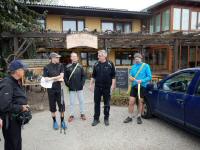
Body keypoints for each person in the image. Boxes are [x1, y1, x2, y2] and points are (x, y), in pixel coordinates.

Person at [0, 60, 29, 150]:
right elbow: (4, 105)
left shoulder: (15, 81)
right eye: (23, 69)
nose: (24, 70)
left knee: (16, 143)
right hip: (10, 121)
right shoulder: (7, 83)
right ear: (17, 71)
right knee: (12, 145)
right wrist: (21, 107)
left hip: (15, 120)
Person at [123, 53, 152, 124]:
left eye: (138, 58)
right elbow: (130, 75)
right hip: (134, 86)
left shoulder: (146, 66)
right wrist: (130, 78)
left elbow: (149, 77)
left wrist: (142, 80)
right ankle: (130, 116)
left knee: (140, 102)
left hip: (142, 86)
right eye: (135, 59)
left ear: (141, 58)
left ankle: (139, 116)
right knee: (131, 102)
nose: (137, 60)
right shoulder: (133, 66)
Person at [89, 50, 116, 126]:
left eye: (100, 55)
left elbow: (113, 76)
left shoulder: (110, 64)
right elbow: (93, 76)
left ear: (105, 55)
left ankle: (106, 118)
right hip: (97, 87)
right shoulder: (96, 64)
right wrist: (91, 84)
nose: (98, 56)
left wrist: (113, 85)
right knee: (96, 103)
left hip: (107, 87)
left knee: (107, 103)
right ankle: (96, 119)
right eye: (98, 55)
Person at [43, 52, 67, 130]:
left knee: (62, 106)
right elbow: (46, 79)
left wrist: (52, 78)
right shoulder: (46, 67)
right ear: (53, 58)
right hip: (50, 90)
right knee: (52, 107)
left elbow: (62, 76)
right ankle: (54, 122)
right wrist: (56, 78)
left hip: (59, 89)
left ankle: (62, 121)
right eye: (57, 58)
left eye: (58, 57)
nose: (58, 59)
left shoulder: (60, 65)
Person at [64, 52, 86, 122]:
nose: (74, 58)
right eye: (73, 56)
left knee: (81, 101)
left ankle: (82, 113)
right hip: (72, 87)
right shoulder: (67, 67)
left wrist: (82, 84)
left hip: (80, 87)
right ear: (71, 58)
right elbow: (65, 77)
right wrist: (68, 84)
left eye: (75, 56)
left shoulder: (80, 66)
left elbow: (83, 76)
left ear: (77, 58)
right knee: (72, 102)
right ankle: (71, 115)